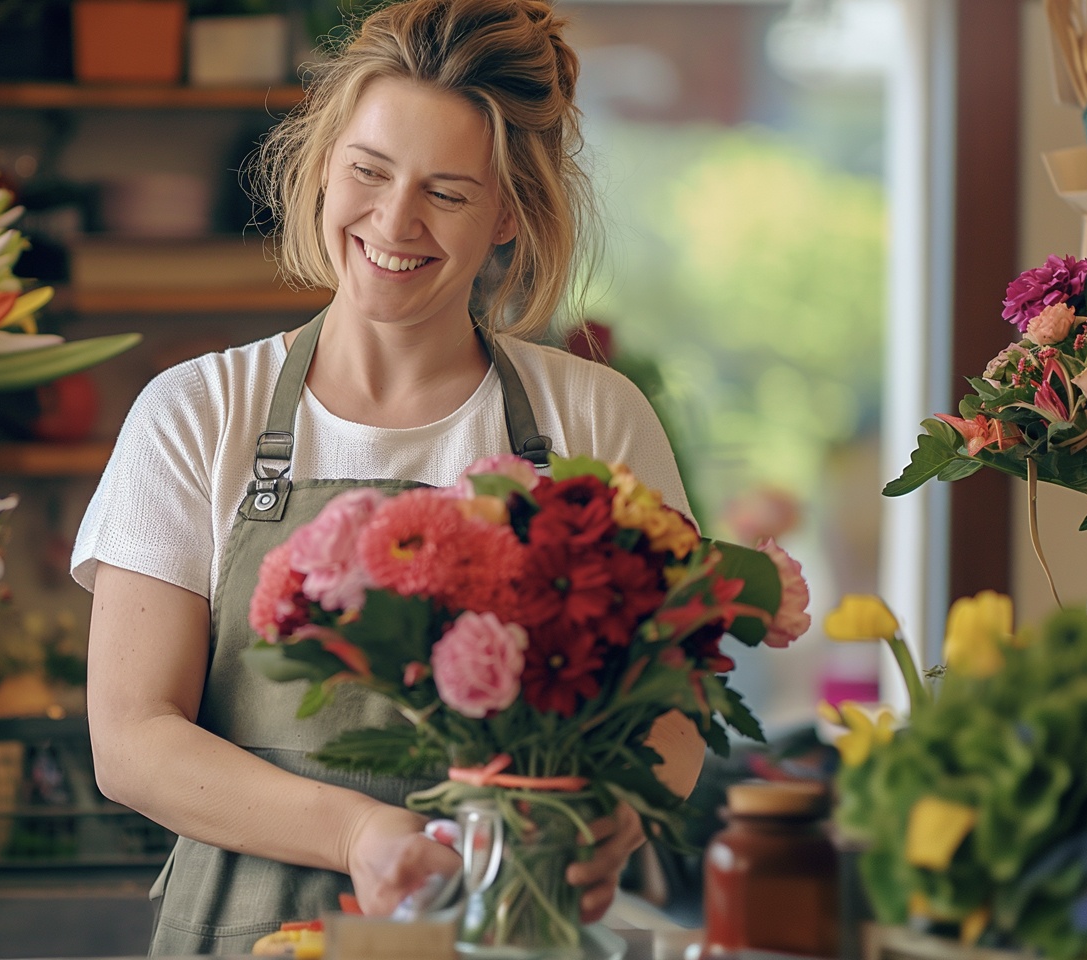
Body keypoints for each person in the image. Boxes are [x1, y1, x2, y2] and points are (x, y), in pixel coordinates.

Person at [72, 1, 705, 954]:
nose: (393, 221)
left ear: (509, 216)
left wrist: (626, 804)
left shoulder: (595, 419)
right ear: (324, 164)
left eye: (447, 193)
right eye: (369, 172)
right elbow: (131, 740)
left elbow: (678, 701)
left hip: (510, 921)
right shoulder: (197, 413)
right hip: (251, 930)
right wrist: (358, 832)